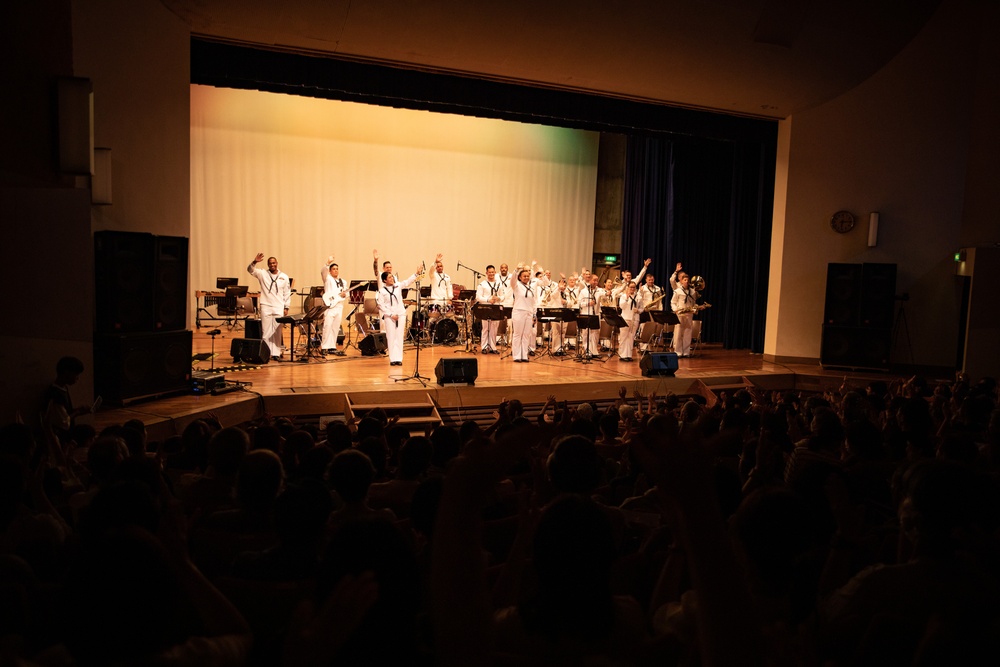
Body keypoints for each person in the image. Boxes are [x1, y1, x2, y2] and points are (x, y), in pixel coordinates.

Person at [248, 253, 292, 360]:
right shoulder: (262, 273)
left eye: (274, 263)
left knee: (277, 331)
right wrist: (255, 261)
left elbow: (287, 293)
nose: (272, 265)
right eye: (270, 263)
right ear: (268, 264)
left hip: (278, 306)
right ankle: (265, 353)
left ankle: (276, 353)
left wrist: (286, 307)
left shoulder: (284, 277)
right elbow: (250, 270)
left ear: (277, 263)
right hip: (266, 305)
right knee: (266, 331)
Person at [376, 266, 422, 366]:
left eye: (392, 277)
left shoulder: (397, 286)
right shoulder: (382, 291)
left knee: (399, 336)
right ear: (384, 280)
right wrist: (391, 314)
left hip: (400, 314)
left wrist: (416, 273)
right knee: (391, 336)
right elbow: (381, 305)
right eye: (389, 278)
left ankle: (399, 358)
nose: (392, 279)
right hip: (390, 316)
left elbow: (407, 282)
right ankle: (393, 359)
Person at [43, 356, 91, 443]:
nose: (77, 378)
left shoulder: (63, 388)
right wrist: (78, 412)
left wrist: (78, 410)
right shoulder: (55, 393)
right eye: (76, 374)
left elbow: (64, 412)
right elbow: (63, 422)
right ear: (66, 372)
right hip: (60, 437)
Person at [321, 256, 347, 356]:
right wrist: (327, 263)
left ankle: (332, 346)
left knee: (335, 327)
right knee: (327, 326)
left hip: (339, 306)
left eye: (337, 269)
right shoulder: (328, 279)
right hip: (330, 306)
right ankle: (324, 347)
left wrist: (345, 294)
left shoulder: (343, 281)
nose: (335, 271)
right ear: (330, 271)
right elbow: (323, 272)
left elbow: (346, 293)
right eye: (333, 269)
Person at [476, 264, 504, 354]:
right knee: (485, 328)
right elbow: (478, 297)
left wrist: (498, 298)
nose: (491, 274)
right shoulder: (482, 284)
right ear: (486, 273)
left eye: (493, 272)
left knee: (494, 328)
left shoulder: (499, 284)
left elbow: (503, 296)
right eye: (489, 272)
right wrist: (488, 299)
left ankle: (493, 346)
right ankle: (484, 346)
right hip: (486, 307)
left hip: (496, 307)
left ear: (495, 273)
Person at [671, 271, 698, 357]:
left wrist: (695, 309)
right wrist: (676, 309)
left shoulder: (692, 291)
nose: (686, 281)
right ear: (681, 281)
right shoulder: (677, 291)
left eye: (687, 280)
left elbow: (693, 303)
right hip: (680, 314)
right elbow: (673, 302)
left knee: (688, 333)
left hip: (689, 314)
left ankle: (686, 352)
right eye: (685, 280)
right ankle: (678, 352)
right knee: (678, 333)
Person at [510, 268, 535, 363]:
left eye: (528, 276)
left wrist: (534, 314)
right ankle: (516, 356)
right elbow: (512, 280)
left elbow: (533, 302)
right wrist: (516, 271)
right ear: (520, 277)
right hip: (519, 311)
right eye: (524, 276)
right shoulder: (516, 285)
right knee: (517, 334)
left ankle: (524, 355)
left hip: (529, 312)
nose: (526, 277)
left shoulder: (531, 288)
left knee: (526, 335)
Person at [617, 281, 643, 361]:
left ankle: (628, 355)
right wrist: (627, 298)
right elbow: (622, 306)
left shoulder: (639, 297)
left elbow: (642, 308)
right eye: (631, 287)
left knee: (631, 337)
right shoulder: (623, 296)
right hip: (625, 318)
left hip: (634, 319)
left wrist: (638, 310)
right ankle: (622, 355)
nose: (632, 289)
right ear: (628, 287)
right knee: (623, 337)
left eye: (633, 287)